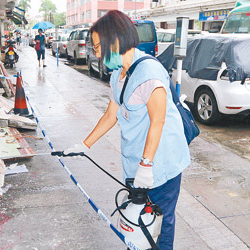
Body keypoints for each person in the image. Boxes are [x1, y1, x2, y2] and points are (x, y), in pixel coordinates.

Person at [64, 10, 190, 250]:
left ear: (116, 40)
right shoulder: (118, 75)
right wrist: (84, 145)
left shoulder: (150, 73)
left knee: (159, 226)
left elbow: (158, 122)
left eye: (99, 46)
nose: (96, 52)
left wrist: (146, 164)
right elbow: (111, 115)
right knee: (140, 223)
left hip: (160, 164)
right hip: (138, 164)